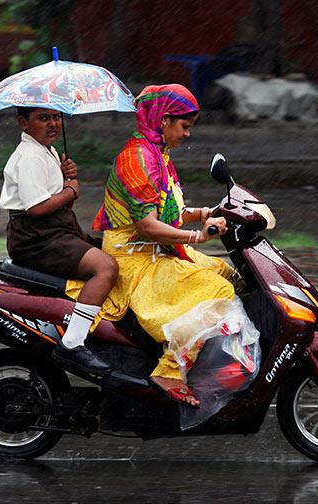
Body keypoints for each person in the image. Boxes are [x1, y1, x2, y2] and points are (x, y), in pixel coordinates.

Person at [66, 84, 235, 407]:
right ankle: (169, 370)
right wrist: (197, 237)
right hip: (135, 260)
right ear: (164, 120)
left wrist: (204, 213)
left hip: (153, 251)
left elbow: (166, 213)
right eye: (184, 127)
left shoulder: (158, 155)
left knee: (228, 272)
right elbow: (147, 225)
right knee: (218, 291)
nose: (187, 135)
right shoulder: (137, 159)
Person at [0, 106, 118, 374]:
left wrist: (67, 175)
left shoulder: (46, 150)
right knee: (106, 267)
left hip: (57, 230)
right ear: (23, 123)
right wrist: (70, 190)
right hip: (37, 237)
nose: (52, 124)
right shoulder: (29, 156)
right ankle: (73, 342)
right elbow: (37, 207)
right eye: (43, 118)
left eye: (56, 117)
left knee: (117, 251)